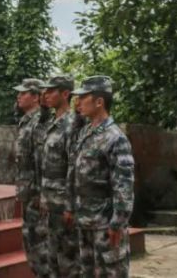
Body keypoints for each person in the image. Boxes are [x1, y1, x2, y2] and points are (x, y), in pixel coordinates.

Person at [66, 76, 135, 277]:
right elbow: (74, 172)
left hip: (105, 224)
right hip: (85, 220)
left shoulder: (115, 138)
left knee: (111, 272)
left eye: (83, 97)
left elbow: (124, 185)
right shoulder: (86, 132)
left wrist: (118, 223)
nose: (77, 102)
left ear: (99, 102)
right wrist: (71, 206)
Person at [40, 75, 79, 277]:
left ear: (65, 94)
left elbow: (74, 168)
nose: (45, 95)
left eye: (51, 91)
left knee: (69, 261)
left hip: (64, 205)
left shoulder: (72, 125)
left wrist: (70, 205)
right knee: (52, 258)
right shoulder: (51, 123)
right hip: (51, 204)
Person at [14, 77, 49, 276]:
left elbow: (43, 162)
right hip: (28, 194)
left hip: (37, 196)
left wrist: (40, 195)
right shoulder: (26, 121)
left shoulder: (39, 122)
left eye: (23, 93)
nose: (19, 96)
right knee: (30, 244)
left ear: (36, 97)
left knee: (40, 247)